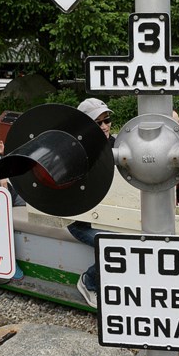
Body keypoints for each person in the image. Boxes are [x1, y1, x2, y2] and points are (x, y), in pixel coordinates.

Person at [69, 97, 116, 307]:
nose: (105, 126)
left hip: (114, 216)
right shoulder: (75, 152)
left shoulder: (116, 145)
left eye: (107, 121)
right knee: (115, 244)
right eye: (98, 123)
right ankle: (89, 281)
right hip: (83, 221)